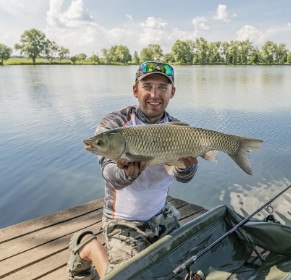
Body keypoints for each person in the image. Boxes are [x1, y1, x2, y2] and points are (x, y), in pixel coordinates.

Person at [67, 61, 198, 279]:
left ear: (172, 92)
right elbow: (109, 173)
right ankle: (88, 245)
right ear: (135, 90)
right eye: (147, 86)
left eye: (162, 88)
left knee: (187, 271)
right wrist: (127, 173)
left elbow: (184, 177)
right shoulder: (115, 124)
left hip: (161, 212)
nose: (154, 95)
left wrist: (188, 164)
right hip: (122, 219)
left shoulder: (179, 128)